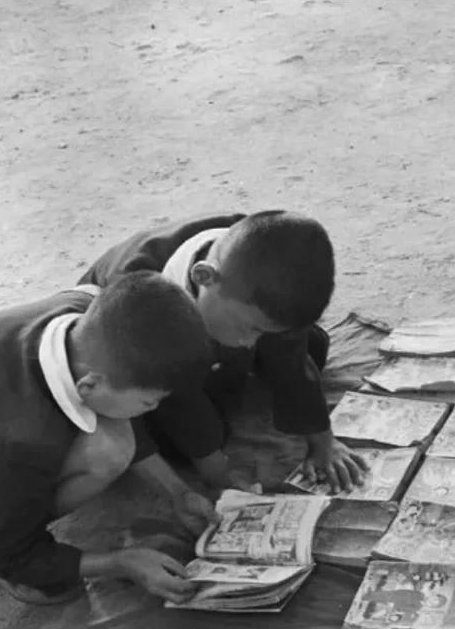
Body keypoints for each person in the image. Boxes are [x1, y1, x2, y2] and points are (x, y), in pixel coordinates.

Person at [0, 273, 215, 607]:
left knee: (115, 424)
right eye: (149, 402)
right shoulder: (22, 438)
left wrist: (178, 493)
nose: (154, 409)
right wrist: (121, 562)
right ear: (89, 385)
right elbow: (5, 553)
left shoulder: (85, 308)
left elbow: (118, 404)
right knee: (109, 451)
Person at [81, 209, 364, 494]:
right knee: (181, 435)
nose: (250, 343)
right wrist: (221, 479)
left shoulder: (258, 251)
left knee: (308, 345)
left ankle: (241, 352)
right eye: (248, 329)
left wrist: (324, 442)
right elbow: (181, 403)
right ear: (204, 277)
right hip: (134, 352)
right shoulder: (136, 304)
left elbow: (291, 352)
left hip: (207, 318)